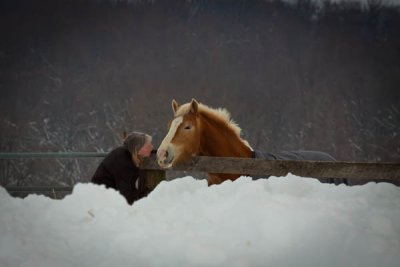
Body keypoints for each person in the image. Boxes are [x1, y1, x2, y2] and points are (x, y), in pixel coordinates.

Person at [91, 131, 154, 205]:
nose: (152, 147)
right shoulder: (123, 162)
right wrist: (148, 197)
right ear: (138, 149)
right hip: (101, 200)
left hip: (107, 196)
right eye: (148, 145)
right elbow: (127, 196)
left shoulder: (126, 155)